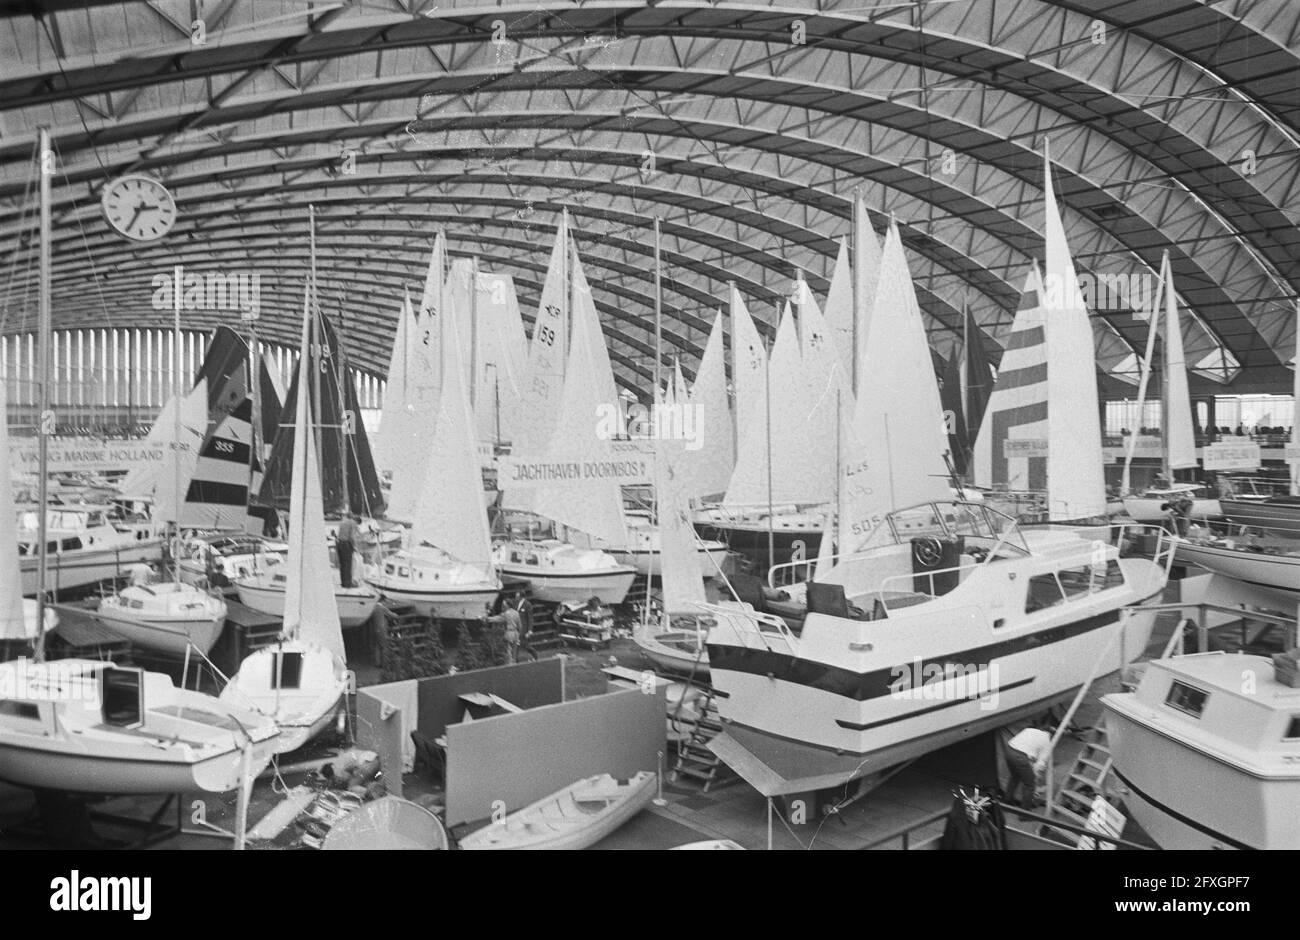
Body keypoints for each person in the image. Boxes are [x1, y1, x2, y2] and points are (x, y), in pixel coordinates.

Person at [1004, 723, 1051, 809]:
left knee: (1015, 777)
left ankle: (1007, 801)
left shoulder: (1029, 730)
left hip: (1009, 750)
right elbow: (1040, 763)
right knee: (1030, 785)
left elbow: (1026, 747)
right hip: (1020, 756)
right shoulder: (1046, 740)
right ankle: (1024, 813)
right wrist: (1035, 775)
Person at [336, 513, 359, 588]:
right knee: (347, 565)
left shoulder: (342, 522)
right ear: (357, 521)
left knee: (342, 564)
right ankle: (348, 584)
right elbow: (352, 536)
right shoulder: (353, 523)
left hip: (339, 544)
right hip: (346, 544)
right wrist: (355, 546)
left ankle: (343, 582)